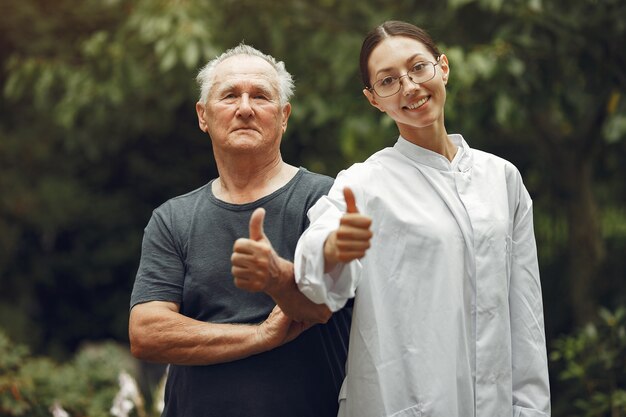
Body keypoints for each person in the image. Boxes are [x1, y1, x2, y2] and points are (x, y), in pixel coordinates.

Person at [294, 21, 551, 416]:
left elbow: (526, 310)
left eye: (418, 68)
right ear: (374, 99)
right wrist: (331, 247)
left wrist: (531, 409)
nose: (409, 87)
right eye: (388, 81)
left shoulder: (502, 178)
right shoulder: (365, 182)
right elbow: (316, 267)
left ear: (443, 68)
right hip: (399, 401)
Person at [128, 44, 351, 417]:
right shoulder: (173, 218)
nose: (245, 108)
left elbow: (322, 306)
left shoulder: (329, 200)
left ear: (284, 116)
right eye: (230, 95)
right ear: (203, 116)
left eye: (260, 96)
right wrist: (259, 335)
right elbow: (147, 332)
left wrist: (279, 281)